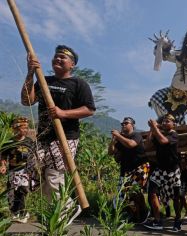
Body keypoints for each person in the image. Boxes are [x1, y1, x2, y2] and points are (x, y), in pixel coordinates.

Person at [21, 45, 96, 225]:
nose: (58, 59)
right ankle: (62, 210)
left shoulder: (79, 84)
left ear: (72, 65)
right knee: (34, 175)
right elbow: (26, 101)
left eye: (63, 57)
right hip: (43, 137)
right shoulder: (43, 80)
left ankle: (60, 217)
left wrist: (64, 113)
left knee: (54, 176)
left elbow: (89, 109)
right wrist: (30, 73)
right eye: (56, 56)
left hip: (66, 137)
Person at [143, 114, 182, 232]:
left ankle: (178, 220)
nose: (165, 123)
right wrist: (151, 129)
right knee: (152, 193)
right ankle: (158, 220)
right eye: (164, 121)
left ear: (173, 124)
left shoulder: (174, 134)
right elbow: (147, 145)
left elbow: (163, 141)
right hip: (160, 170)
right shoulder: (158, 133)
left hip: (173, 170)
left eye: (168, 121)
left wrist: (155, 128)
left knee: (176, 197)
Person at [108, 117, 149, 223]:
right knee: (125, 194)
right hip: (126, 170)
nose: (123, 125)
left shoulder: (136, 135)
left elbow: (131, 144)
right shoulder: (120, 139)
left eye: (126, 123)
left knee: (134, 190)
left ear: (133, 125)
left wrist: (118, 135)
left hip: (140, 167)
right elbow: (110, 152)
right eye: (122, 123)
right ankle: (135, 214)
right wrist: (113, 140)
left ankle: (143, 212)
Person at [0, 117, 33, 223]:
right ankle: (15, 212)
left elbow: (33, 155)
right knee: (12, 192)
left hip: (25, 171)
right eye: (22, 128)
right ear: (15, 129)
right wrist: (3, 166)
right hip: (13, 171)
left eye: (26, 128)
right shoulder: (9, 142)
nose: (24, 130)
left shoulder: (29, 141)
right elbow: (4, 156)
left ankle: (23, 213)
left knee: (22, 190)